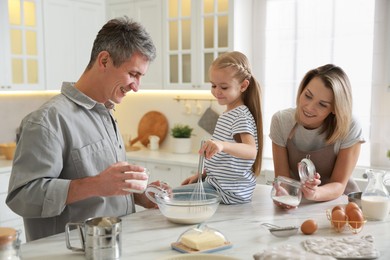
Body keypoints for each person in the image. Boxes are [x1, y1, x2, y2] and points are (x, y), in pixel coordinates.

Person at [6, 17, 168, 241]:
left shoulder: (106, 113)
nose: (136, 87)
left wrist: (141, 195)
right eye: (133, 74)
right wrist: (96, 185)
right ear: (104, 61)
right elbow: (21, 197)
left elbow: (104, 192)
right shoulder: (48, 120)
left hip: (113, 247)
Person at [269, 64, 365, 207]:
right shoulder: (281, 121)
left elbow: (339, 184)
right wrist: (283, 193)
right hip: (299, 203)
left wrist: (315, 193)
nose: (309, 107)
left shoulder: (349, 126)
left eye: (322, 104)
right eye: (307, 96)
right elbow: (283, 180)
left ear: (334, 109)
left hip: (341, 205)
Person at [181, 51, 263, 204]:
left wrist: (222, 145)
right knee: (171, 196)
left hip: (228, 191)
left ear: (243, 86)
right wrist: (203, 175)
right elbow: (223, 160)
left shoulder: (240, 115)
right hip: (218, 185)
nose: (217, 91)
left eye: (224, 87)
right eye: (213, 85)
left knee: (170, 197)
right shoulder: (228, 114)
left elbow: (251, 151)